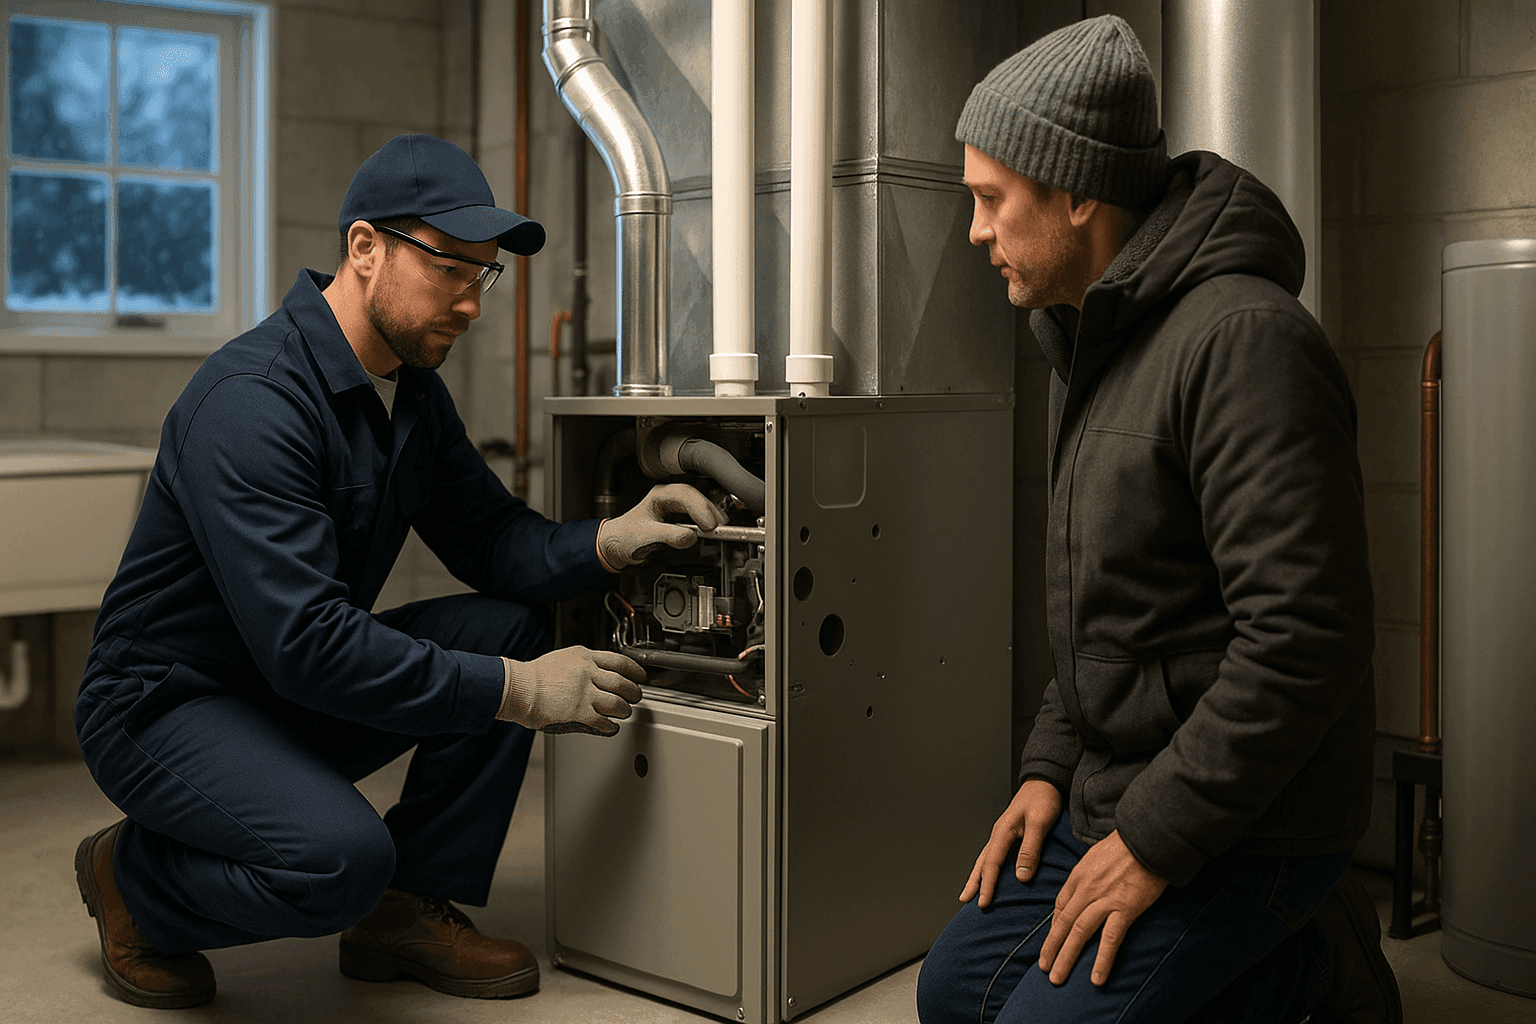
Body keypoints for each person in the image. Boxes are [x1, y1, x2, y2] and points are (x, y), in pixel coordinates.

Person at [71, 133, 724, 1009]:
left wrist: (611, 538)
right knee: (337, 858)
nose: (471, 303)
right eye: (451, 268)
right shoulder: (253, 403)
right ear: (366, 249)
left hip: (276, 688)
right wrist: (519, 693)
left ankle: (403, 909)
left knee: (511, 623)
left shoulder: (411, 393)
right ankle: (133, 879)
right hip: (165, 702)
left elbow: (492, 540)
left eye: (482, 276)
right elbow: (308, 644)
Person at [915, 17, 1403, 1024]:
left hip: (1253, 820)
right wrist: (1050, 768)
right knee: (954, 998)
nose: (974, 230)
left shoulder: (1246, 345)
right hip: (1121, 786)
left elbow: (1306, 641)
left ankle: (1312, 963)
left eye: (990, 199)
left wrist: (1151, 844)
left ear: (1078, 191)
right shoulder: (1085, 341)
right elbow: (1100, 612)